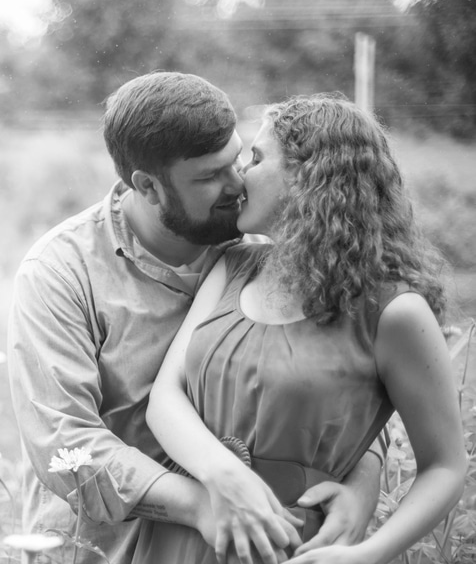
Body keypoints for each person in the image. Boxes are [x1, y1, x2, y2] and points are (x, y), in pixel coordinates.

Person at [7, 73, 386, 564]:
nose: (237, 185)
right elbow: (64, 443)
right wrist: (205, 505)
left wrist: (362, 482)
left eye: (239, 160)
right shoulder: (60, 273)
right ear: (147, 187)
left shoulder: (264, 251)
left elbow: (347, 375)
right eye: (209, 177)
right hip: (103, 550)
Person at [138, 93, 467, 564]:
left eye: (255, 158)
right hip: (190, 535)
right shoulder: (233, 266)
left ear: (309, 175)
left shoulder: (394, 313)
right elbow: (165, 398)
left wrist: (369, 554)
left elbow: (446, 465)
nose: (239, 177)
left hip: (296, 547)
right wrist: (223, 478)